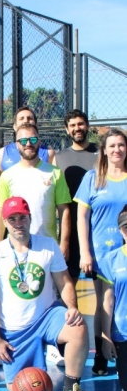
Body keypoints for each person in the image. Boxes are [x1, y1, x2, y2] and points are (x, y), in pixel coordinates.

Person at [0, 196, 98, 391]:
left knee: (77, 327)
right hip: (16, 329)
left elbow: (64, 281)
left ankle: (71, 390)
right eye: (12, 219)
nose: (18, 223)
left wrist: (72, 307)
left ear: (29, 218)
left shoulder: (48, 245)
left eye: (22, 218)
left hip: (47, 316)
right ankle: (25, 356)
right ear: (5, 222)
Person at [0, 122, 71, 366]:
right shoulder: (7, 175)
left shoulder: (54, 173)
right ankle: (4, 345)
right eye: (23, 141)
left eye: (33, 140)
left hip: (46, 250)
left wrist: (65, 244)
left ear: (40, 142)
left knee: (49, 298)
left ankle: (53, 347)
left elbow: (64, 212)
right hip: (15, 250)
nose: (29, 144)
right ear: (16, 145)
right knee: (15, 300)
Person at [75, 128, 127, 376]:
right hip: (102, 254)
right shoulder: (93, 178)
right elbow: (82, 217)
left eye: (121, 145)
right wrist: (85, 252)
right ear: (104, 151)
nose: (117, 149)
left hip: (125, 250)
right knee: (104, 303)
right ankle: (103, 353)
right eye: (112, 146)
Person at [55, 110, 98, 285]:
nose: (77, 128)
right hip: (71, 229)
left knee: (103, 283)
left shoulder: (102, 153)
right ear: (67, 129)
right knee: (69, 282)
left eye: (80, 124)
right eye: (72, 125)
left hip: (98, 226)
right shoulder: (59, 158)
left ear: (87, 126)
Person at [0, 106, 55, 189]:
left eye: (29, 118)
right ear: (14, 126)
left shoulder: (49, 153)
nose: (26, 121)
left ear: (36, 125)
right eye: (21, 118)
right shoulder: (2, 153)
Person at [100, 205, 127, 391]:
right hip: (123, 334)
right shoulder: (112, 260)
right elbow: (108, 301)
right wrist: (106, 337)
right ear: (120, 231)